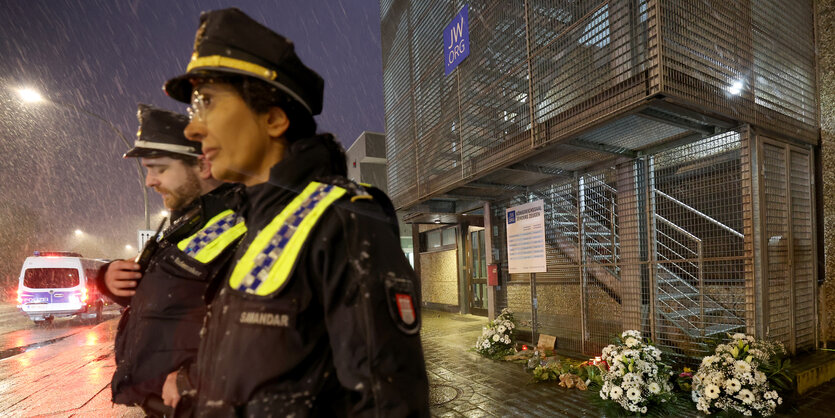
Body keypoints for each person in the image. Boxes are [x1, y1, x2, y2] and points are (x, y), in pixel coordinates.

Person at [162, 8, 429, 416]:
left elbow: (388, 405)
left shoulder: (344, 220)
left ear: (273, 119)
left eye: (208, 101)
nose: (192, 129)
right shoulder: (255, 224)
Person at [99, 104, 245, 417]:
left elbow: (260, 329)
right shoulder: (184, 223)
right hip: (165, 405)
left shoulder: (242, 224)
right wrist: (110, 278)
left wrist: (195, 377)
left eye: (159, 168)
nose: (150, 180)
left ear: (203, 166)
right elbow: (168, 295)